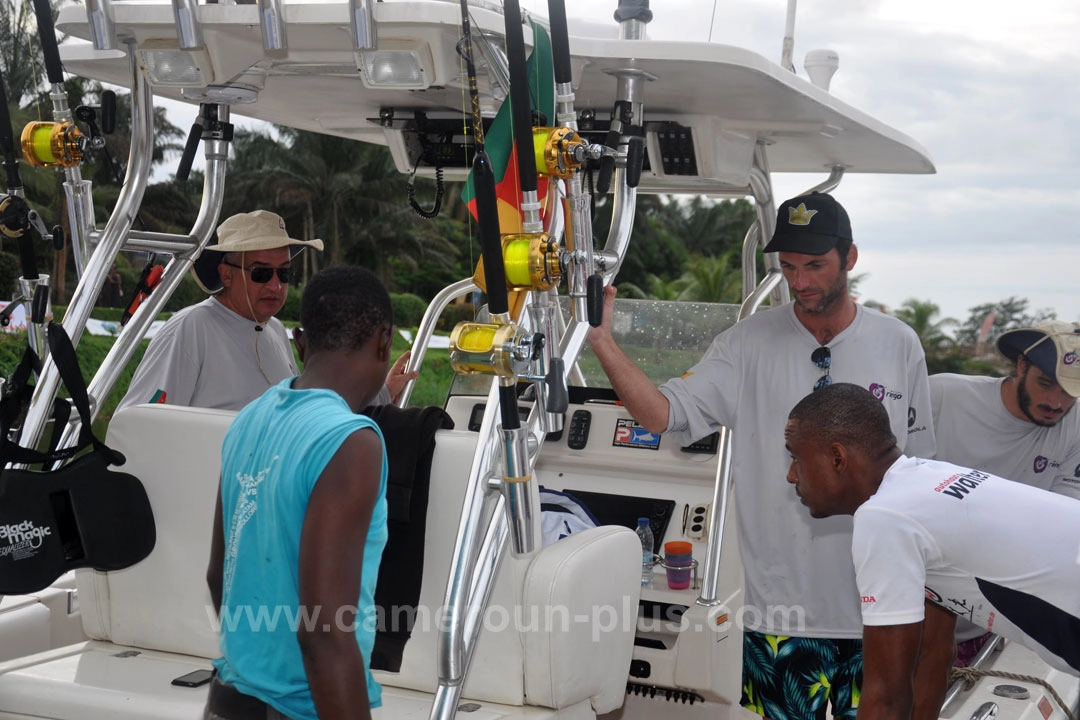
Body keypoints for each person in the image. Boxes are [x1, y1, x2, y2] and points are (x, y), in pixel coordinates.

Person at [588, 191, 936, 719]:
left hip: (882, 608)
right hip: (782, 614)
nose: (801, 282)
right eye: (789, 267)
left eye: (816, 265)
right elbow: (662, 415)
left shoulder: (900, 343)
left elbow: (920, 472)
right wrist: (602, 343)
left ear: (851, 258)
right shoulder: (744, 344)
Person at [784, 382, 1080, 720]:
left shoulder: (885, 517)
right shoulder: (931, 477)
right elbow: (933, 649)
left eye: (796, 457)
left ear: (837, 457)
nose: (791, 475)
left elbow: (887, 694)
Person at [204, 265, 392, 720]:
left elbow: (218, 576)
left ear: (300, 341)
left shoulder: (250, 417)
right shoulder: (351, 441)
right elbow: (324, 630)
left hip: (227, 701)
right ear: (384, 342)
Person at [117, 209, 416, 412]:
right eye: (261, 273)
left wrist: (382, 393)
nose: (275, 285)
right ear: (227, 274)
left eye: (284, 274)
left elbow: (301, 409)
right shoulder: (190, 328)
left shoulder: (273, 330)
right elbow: (141, 420)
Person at [929, 320, 1080, 664]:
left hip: (993, 625)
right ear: (1021, 365)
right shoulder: (940, 396)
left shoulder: (1077, 426)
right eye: (1046, 384)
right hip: (902, 609)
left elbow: (1063, 531)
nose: (1057, 402)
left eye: (1070, 391)